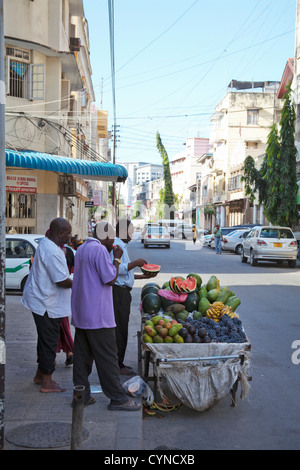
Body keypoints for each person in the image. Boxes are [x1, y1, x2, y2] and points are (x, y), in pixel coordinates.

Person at [71, 220, 141, 411]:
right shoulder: (101, 250)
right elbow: (110, 278)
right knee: (108, 357)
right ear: (107, 237)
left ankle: (81, 396)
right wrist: (117, 258)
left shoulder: (83, 249)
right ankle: (118, 398)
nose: (113, 242)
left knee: (82, 357)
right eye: (112, 238)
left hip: (82, 311)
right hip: (98, 314)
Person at [21, 217, 73, 393]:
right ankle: (47, 382)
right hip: (46, 304)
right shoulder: (51, 250)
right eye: (68, 233)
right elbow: (61, 281)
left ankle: (39, 376)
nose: (70, 236)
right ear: (59, 234)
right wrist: (81, 278)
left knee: (45, 341)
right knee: (49, 342)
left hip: (43, 302)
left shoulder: (48, 243)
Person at [111, 219, 157, 376]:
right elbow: (117, 270)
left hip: (122, 291)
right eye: (131, 231)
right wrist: (136, 262)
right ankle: (117, 364)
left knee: (122, 327)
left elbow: (126, 274)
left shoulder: (122, 245)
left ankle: (119, 362)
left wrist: (143, 277)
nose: (133, 235)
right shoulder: (116, 246)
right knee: (120, 329)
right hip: (117, 293)